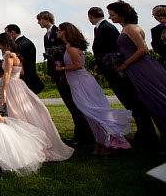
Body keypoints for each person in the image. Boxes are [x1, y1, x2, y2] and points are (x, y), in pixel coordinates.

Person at [55, 22, 132, 155]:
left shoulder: (71, 48)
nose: (57, 32)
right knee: (89, 114)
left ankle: (108, 143)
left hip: (82, 83)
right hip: (76, 82)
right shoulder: (68, 46)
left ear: (65, 32)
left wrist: (61, 69)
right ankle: (101, 143)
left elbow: (78, 65)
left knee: (94, 112)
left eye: (59, 30)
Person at [0, 33, 74, 161]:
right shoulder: (17, 56)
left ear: (3, 43)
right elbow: (22, 72)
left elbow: (8, 74)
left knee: (16, 114)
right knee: (23, 111)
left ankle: (25, 145)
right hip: (20, 84)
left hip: (12, 86)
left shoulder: (9, 56)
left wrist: (4, 91)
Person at [88, 7, 157, 147]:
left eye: (113, 14)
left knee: (133, 102)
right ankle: (143, 132)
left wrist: (116, 64)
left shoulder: (107, 28)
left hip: (118, 72)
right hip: (111, 69)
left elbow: (114, 50)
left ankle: (147, 134)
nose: (111, 17)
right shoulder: (102, 28)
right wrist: (100, 65)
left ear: (90, 16)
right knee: (130, 103)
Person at [107, 0, 166, 151]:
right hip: (135, 69)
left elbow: (143, 49)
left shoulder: (131, 28)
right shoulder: (126, 28)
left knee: (158, 103)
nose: (110, 18)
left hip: (143, 69)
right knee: (151, 104)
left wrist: (125, 63)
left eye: (112, 15)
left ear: (121, 14)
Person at [37, 11, 93, 145]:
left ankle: (84, 134)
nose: (38, 22)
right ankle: (79, 133)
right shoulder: (46, 36)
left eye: (40, 20)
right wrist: (52, 73)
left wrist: (62, 73)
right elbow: (51, 56)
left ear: (47, 19)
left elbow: (62, 55)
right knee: (70, 104)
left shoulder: (59, 32)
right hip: (57, 73)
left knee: (75, 104)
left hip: (66, 73)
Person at [5, 24, 44, 94]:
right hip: (30, 77)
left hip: (25, 78)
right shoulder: (26, 42)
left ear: (12, 32)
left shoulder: (18, 45)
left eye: (7, 34)